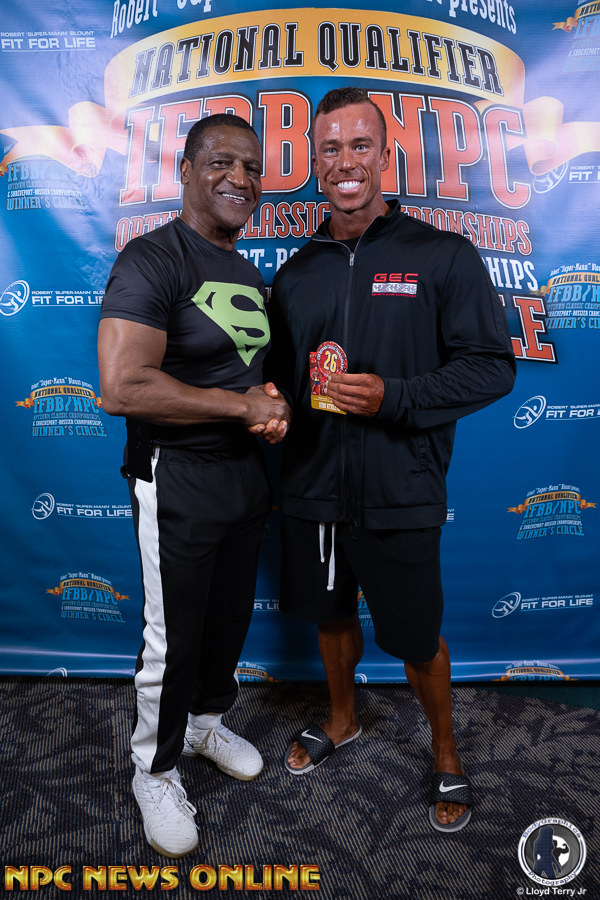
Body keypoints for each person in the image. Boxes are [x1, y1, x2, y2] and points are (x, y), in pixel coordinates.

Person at [267, 87, 516, 832]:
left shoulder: (441, 254)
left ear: (385, 155)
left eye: (360, 145)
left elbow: (491, 368)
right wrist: (268, 409)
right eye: (330, 148)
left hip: (401, 486)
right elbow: (281, 379)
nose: (345, 162)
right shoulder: (297, 272)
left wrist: (394, 397)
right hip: (313, 487)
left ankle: (445, 750)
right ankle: (342, 719)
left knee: (414, 634)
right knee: (330, 615)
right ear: (314, 161)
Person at [98, 113, 290, 857]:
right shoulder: (152, 258)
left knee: (226, 621)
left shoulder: (242, 270)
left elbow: (237, 373)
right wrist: (243, 407)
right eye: (220, 163)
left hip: (242, 474)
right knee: (172, 636)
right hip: (174, 475)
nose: (239, 178)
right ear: (184, 170)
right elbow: (123, 386)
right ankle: (154, 768)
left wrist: (265, 406)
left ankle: (206, 724)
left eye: (252, 167)